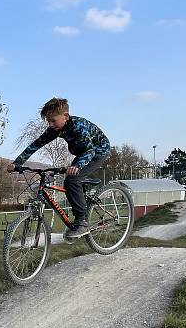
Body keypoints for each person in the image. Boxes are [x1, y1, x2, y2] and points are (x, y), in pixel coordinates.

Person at [7, 97, 110, 240]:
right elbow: (36, 145)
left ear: (65, 116)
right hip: (82, 152)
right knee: (72, 180)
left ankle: (82, 222)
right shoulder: (55, 129)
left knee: (72, 180)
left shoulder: (78, 126)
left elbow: (90, 151)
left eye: (53, 120)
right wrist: (17, 163)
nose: (50, 124)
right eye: (48, 121)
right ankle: (82, 198)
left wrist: (77, 166)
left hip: (98, 152)